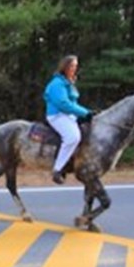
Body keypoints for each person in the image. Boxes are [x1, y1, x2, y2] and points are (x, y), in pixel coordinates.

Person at [44, 55, 96, 184]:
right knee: (73, 137)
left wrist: (87, 112)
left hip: (67, 115)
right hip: (57, 115)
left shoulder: (68, 82)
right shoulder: (57, 83)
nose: (74, 68)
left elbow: (73, 103)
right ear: (65, 67)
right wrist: (84, 113)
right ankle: (57, 169)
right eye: (72, 66)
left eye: (76, 66)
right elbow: (63, 104)